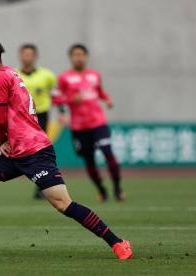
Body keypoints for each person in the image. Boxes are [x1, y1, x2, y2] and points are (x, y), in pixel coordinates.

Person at [0, 39, 132, 260]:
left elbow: (1, 119)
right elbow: (13, 115)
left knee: (63, 204)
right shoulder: (9, 73)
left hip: (35, 152)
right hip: (16, 152)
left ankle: (118, 242)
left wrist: (0, 139)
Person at [53, 44, 124, 202]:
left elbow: (99, 92)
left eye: (81, 54)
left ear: (86, 56)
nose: (78, 57)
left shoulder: (94, 75)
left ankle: (118, 189)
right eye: (75, 55)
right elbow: (56, 98)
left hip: (98, 122)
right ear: (70, 58)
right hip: (79, 126)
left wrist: (107, 99)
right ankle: (101, 190)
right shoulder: (64, 78)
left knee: (108, 153)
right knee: (89, 160)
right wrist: (69, 102)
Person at [17, 43, 56, 199]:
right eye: (25, 54)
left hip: (41, 115)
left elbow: (56, 94)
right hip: (21, 117)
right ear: (20, 56)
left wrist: (61, 111)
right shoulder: (13, 74)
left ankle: (43, 186)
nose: (27, 57)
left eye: (30, 54)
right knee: (24, 153)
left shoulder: (47, 76)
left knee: (40, 151)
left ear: (36, 56)